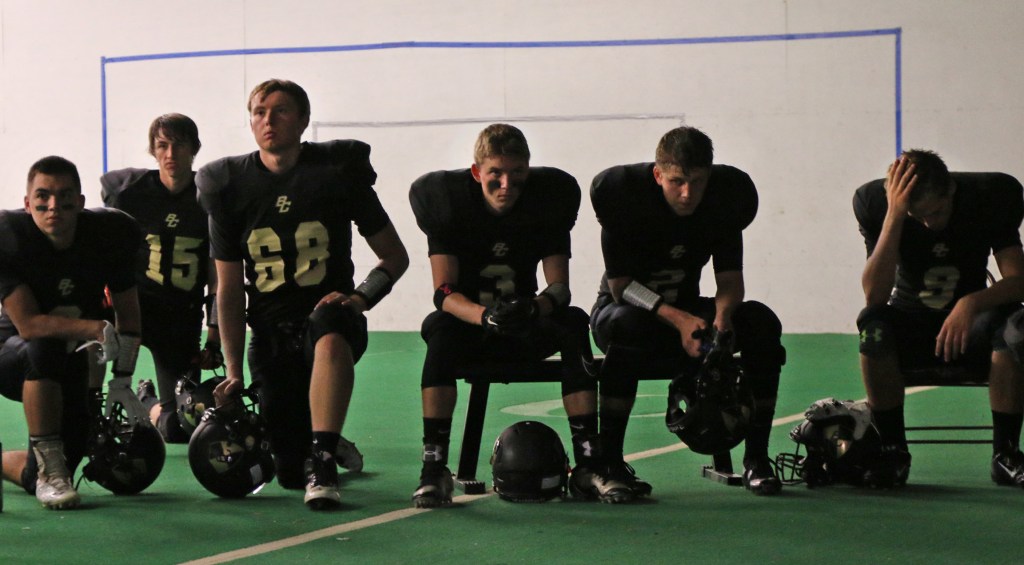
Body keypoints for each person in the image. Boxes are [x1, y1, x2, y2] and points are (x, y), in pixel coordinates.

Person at [196, 79, 409, 510]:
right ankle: (322, 434)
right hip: (271, 334)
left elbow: (394, 257)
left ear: (304, 119)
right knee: (289, 473)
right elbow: (230, 290)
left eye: (280, 111)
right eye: (258, 112)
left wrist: (360, 299)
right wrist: (234, 369)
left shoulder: (335, 173)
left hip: (331, 325)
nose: (268, 120)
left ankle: (325, 456)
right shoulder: (230, 187)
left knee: (328, 319)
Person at [409, 123, 622, 506]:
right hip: (473, 329)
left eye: (517, 173)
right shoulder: (449, 202)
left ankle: (590, 464)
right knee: (439, 328)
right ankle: (434, 467)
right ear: (477, 172)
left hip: (525, 327)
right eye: (496, 173)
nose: (507, 184)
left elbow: (560, 288)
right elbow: (443, 292)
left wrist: (533, 307)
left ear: (528, 169)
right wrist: (484, 316)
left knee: (573, 321)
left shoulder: (548, 199)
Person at [589, 126, 786, 496]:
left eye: (697, 181)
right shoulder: (622, 197)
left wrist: (723, 319)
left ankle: (756, 458)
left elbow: (729, 280)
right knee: (628, 325)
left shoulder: (725, 200)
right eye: (677, 181)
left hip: (688, 307)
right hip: (622, 311)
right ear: (658, 175)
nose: (687, 193)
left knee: (760, 322)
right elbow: (621, 287)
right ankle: (610, 463)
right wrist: (679, 320)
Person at [853, 149, 1024, 488]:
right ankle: (893, 451)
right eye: (919, 217)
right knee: (872, 328)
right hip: (911, 326)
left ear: (951, 191)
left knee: (1018, 327)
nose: (929, 223)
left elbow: (1018, 281)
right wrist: (895, 217)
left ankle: (1005, 453)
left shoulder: (990, 197)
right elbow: (874, 295)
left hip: (972, 328)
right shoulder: (875, 203)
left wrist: (971, 304)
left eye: (937, 212)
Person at [0, 156, 142, 509]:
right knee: (43, 348)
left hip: (69, 361)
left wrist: (122, 379)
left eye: (65, 197)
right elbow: (29, 324)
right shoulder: (10, 236)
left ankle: (42, 469)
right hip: (11, 355)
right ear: (27, 202)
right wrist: (92, 327)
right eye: (43, 197)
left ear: (80, 203)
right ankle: (52, 469)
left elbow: (129, 315)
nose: (53, 207)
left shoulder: (109, 234)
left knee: (54, 464)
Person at [101, 113, 222, 443]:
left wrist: (214, 334)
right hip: (133, 309)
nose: (170, 154)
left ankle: (147, 399)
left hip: (179, 318)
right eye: (162, 146)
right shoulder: (130, 194)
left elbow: (217, 274)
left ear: (195, 149)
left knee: (180, 426)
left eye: (179, 145)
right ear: (153, 151)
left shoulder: (208, 197)